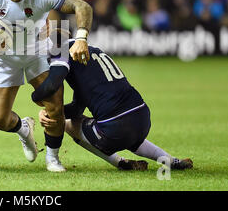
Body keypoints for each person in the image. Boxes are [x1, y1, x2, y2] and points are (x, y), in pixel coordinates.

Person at [0, 0, 93, 172]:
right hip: (4, 59)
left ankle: (53, 158)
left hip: (38, 53)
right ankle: (23, 128)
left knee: (54, 106)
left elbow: (81, 5)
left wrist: (81, 37)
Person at [33, 29, 193, 171]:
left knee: (67, 125)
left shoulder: (62, 52)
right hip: (142, 117)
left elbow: (53, 84)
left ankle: (120, 162)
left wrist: (41, 103)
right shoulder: (90, 53)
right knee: (128, 133)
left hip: (116, 127)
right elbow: (76, 109)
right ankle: (171, 161)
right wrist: (54, 112)